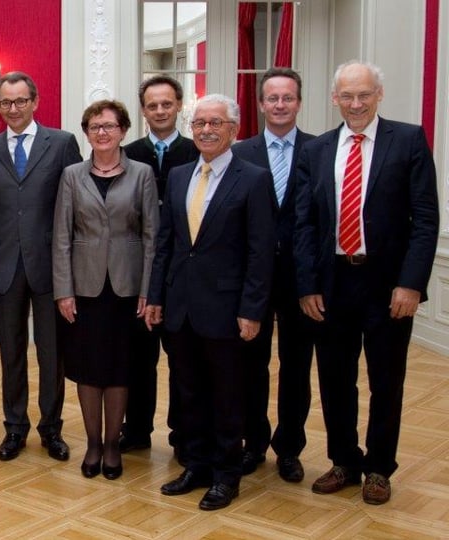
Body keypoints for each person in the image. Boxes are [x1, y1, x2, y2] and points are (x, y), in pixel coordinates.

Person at [295, 61, 439, 505]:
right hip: (333, 283)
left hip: (387, 284)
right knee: (335, 379)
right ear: (335, 99)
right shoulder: (317, 149)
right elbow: (305, 223)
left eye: (363, 95)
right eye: (346, 96)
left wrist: (411, 284)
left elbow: (425, 218)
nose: (355, 104)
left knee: (385, 381)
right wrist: (307, 285)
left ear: (379, 95)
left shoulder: (409, 140)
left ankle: (379, 467)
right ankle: (344, 461)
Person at [146, 94, 275, 511]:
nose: (205, 130)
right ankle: (196, 465)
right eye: (199, 123)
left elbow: (260, 252)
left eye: (215, 123)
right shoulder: (181, 174)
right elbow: (166, 244)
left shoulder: (253, 178)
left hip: (227, 310)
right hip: (181, 307)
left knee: (227, 396)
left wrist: (252, 309)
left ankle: (225, 475)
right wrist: (156, 297)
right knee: (189, 392)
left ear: (233, 130)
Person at [0, 71, 81, 462]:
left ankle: (51, 430)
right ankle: (14, 428)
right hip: (6, 267)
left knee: (52, 354)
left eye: (21, 101)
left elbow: (77, 202)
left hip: (52, 266)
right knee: (11, 353)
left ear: (35, 101)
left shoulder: (62, 143)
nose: (14, 108)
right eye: (6, 102)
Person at [53, 100, 158, 480]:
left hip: (128, 289)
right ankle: (93, 442)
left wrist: (149, 289)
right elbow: (62, 236)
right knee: (87, 368)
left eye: (109, 126)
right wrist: (63, 290)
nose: (102, 132)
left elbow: (151, 236)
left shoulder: (142, 174)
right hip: (83, 289)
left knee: (118, 369)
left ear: (123, 130)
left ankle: (114, 443)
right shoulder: (71, 175)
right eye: (95, 126)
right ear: (86, 132)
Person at [231, 67, 315, 481]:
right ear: (260, 103)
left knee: (297, 366)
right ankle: (254, 443)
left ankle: (289, 447)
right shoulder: (240, 152)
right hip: (253, 279)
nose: (279, 105)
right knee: (251, 364)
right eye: (272, 98)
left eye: (288, 97)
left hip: (303, 281)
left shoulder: (321, 150)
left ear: (299, 102)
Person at [120, 76, 199, 457]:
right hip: (139, 271)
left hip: (185, 273)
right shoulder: (128, 153)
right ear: (143, 110)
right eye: (152, 105)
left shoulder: (197, 150)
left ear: (179, 105)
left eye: (167, 104)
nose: (160, 111)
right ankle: (136, 431)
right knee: (138, 358)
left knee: (185, 361)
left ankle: (183, 434)